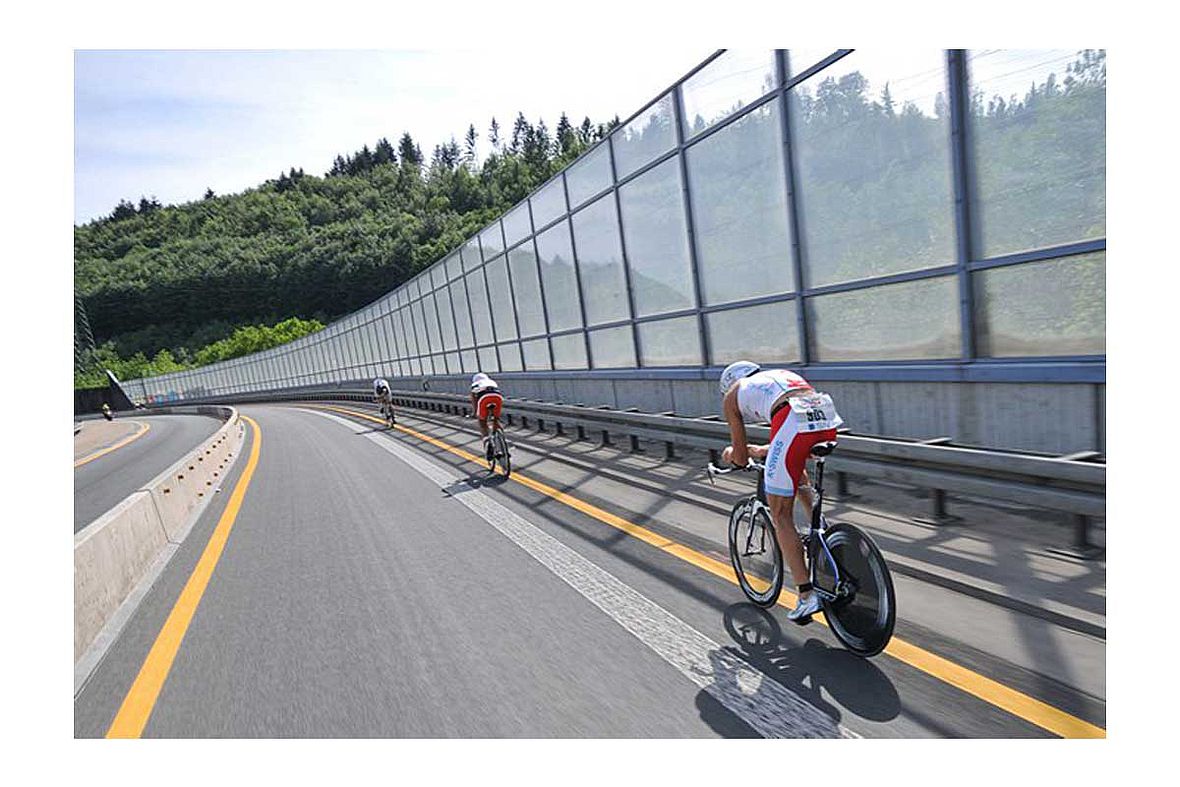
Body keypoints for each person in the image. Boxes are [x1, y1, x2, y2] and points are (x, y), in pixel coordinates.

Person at [718, 360, 843, 623]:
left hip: (791, 420)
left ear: (729, 383)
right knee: (794, 469)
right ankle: (822, 531)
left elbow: (740, 457)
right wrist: (761, 450)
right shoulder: (776, 378)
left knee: (780, 515)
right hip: (824, 416)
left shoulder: (733, 395)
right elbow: (786, 434)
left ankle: (807, 596)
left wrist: (733, 454)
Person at [470, 373, 504, 460]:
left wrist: (475, 412)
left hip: (483, 398)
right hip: (497, 397)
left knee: (482, 422)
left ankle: (488, 442)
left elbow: (474, 401)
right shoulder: (492, 382)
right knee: (496, 419)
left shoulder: (475, 385)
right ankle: (502, 443)